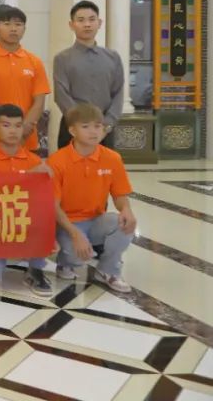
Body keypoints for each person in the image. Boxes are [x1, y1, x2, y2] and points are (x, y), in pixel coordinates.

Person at [50, 103, 136, 293]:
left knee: (123, 223)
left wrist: (126, 209)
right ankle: (65, 263)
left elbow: (120, 194)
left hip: (97, 219)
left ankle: (108, 270)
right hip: (66, 223)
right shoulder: (57, 161)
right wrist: (75, 234)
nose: (93, 131)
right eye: (86, 126)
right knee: (75, 257)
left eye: (98, 126)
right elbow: (53, 206)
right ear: (72, 131)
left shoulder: (112, 158)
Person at [0, 104, 53, 296]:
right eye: (6, 125)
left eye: (18, 126)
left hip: (23, 218)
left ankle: (35, 269)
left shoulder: (34, 160)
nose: (13, 131)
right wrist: (29, 176)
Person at [0, 5, 49, 153]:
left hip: (27, 140)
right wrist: (10, 126)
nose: (13, 29)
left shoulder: (34, 62)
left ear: (24, 29)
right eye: (7, 24)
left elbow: (39, 102)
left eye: (18, 24)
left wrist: (24, 127)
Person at [53, 0, 124, 150]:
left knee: (105, 165)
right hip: (72, 129)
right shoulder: (62, 59)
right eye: (81, 20)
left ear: (99, 23)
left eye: (92, 19)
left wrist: (106, 126)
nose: (87, 24)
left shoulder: (113, 57)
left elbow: (118, 93)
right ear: (71, 25)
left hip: (104, 130)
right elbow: (61, 95)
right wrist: (81, 126)